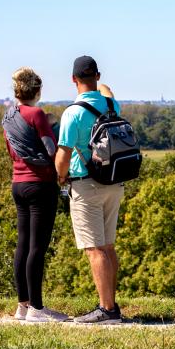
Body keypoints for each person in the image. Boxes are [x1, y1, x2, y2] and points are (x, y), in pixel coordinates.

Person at [55, 55, 125, 324]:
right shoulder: (111, 105)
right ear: (96, 75)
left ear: (73, 79)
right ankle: (111, 305)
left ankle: (107, 310)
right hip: (113, 183)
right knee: (107, 247)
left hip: (86, 184)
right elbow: (108, 90)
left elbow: (63, 156)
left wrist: (60, 178)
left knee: (94, 250)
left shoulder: (72, 113)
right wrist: (99, 82)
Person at [3, 67, 68, 323]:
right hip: (41, 184)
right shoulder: (37, 113)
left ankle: (23, 305)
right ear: (38, 91)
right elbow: (52, 150)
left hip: (18, 184)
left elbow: (12, 151)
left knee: (23, 244)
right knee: (37, 248)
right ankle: (37, 309)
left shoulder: (8, 116)